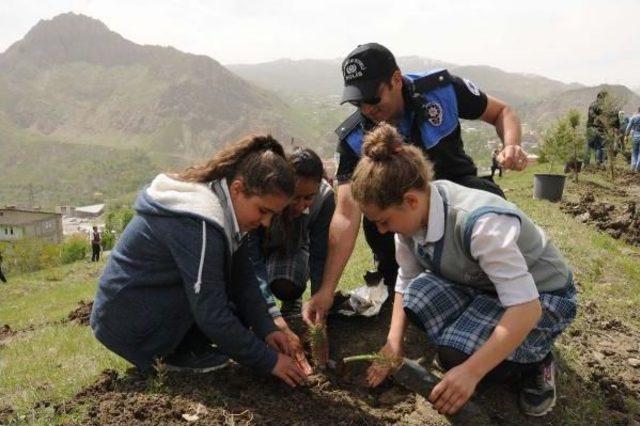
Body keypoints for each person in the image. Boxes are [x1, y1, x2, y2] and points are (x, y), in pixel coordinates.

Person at [352, 123, 576, 417]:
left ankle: (537, 359)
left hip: (543, 297)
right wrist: (393, 343)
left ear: (410, 201)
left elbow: (526, 307)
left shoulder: (481, 225)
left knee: (456, 355)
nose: (381, 230)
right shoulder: (411, 219)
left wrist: (471, 371)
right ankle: (485, 340)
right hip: (486, 288)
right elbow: (405, 281)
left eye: (383, 221)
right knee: (416, 297)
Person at [303, 42, 528, 332]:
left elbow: (502, 111)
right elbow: (346, 215)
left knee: (490, 204)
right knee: (378, 221)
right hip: (406, 221)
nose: (368, 110)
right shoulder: (353, 139)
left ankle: (496, 287)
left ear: (396, 80)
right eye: (359, 103)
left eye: (373, 98)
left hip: (461, 201)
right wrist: (326, 289)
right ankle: (404, 284)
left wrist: (511, 146)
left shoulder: (442, 90)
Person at [90, 134, 309, 388]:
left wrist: (267, 328)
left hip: (140, 307)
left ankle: (184, 345)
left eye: (272, 214)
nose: (266, 222)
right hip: (128, 322)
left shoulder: (226, 207)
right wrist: (270, 361)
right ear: (238, 189)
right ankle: (165, 354)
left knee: (222, 290)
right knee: (215, 298)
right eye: (263, 211)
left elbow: (243, 279)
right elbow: (212, 314)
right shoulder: (201, 221)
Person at [250, 147, 335, 323]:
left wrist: (318, 304)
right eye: (295, 197)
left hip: (293, 247)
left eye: (308, 198)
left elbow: (319, 255)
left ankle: (291, 301)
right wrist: (270, 312)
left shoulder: (325, 199)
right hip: (259, 247)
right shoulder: (268, 192)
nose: (300, 205)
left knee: (285, 284)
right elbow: (252, 255)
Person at [626, 107, 640, 172]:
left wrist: (626, 136)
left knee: (634, 152)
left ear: (638, 110)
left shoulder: (634, 117)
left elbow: (629, 127)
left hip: (635, 136)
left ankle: (633, 167)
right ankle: (638, 167)